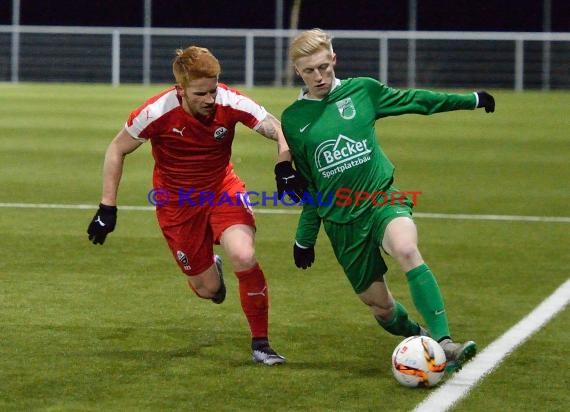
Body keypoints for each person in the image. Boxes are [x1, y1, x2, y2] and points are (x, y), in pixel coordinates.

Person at [279, 28, 495, 373]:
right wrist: (304, 238)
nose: (319, 77)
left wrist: (470, 99)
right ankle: (419, 336)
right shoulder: (293, 119)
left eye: (324, 67)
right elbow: (310, 188)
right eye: (310, 70)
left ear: (334, 60)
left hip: (380, 199)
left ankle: (444, 343)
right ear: (298, 72)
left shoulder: (362, 91)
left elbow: (417, 101)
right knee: (380, 307)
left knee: (407, 248)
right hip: (340, 223)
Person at [87, 45, 304, 365]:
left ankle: (261, 344)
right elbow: (116, 149)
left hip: (221, 189)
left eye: (213, 90)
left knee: (244, 254)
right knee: (208, 290)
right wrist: (108, 207)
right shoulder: (155, 112)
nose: (210, 99)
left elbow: (277, 127)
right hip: (176, 205)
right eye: (201, 93)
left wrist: (284, 165)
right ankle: (211, 273)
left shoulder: (230, 101)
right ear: (180, 90)